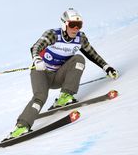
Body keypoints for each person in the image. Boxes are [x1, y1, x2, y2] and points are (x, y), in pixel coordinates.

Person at [8, 8, 119, 139]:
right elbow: (35, 47)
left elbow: (92, 53)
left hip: (59, 76)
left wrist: (107, 67)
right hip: (41, 72)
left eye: (79, 25)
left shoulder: (80, 38)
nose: (76, 28)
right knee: (40, 97)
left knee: (79, 59)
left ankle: (65, 96)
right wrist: (37, 59)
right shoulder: (53, 35)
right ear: (64, 24)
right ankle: (21, 126)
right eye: (72, 25)